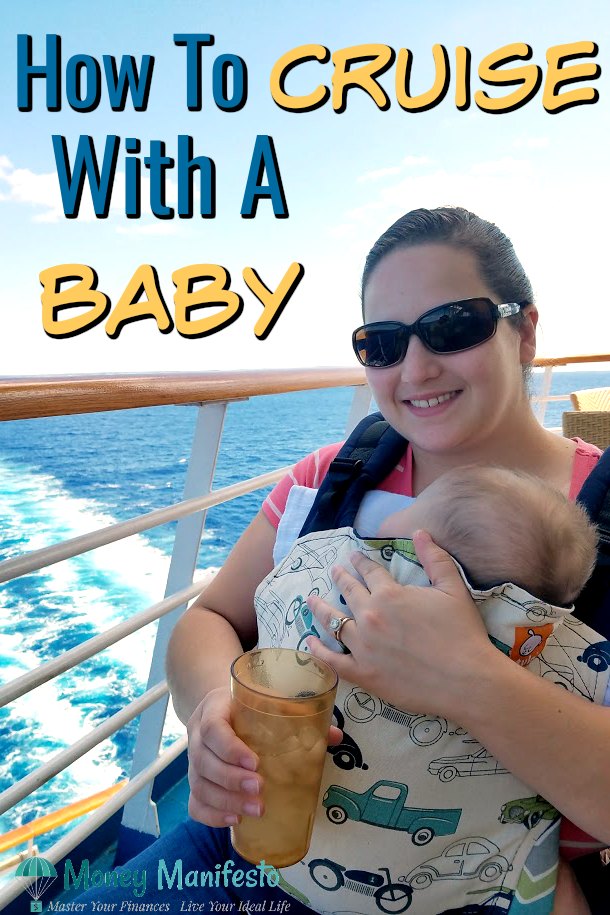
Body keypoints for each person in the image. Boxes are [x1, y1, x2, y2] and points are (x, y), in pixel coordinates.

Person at [74, 207, 608, 914]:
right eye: (382, 342)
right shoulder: (332, 477)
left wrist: (471, 680)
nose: (415, 368)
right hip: (258, 854)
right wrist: (215, 707)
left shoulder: (601, 510)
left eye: (453, 326)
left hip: (475, 889)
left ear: (525, 330)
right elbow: (209, 619)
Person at [252, 462, 606, 914]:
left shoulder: (337, 589)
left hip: (285, 863)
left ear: (418, 558)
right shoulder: (565, 658)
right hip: (485, 892)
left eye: (408, 509)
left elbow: (269, 613)